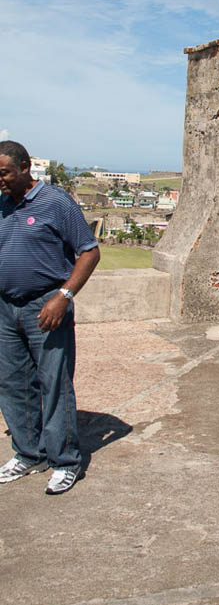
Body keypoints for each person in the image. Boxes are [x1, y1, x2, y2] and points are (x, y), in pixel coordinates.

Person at [0, 141, 100, 494]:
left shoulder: (55, 203)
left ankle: (65, 460)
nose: (0, 180)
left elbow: (89, 251)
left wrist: (63, 296)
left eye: (4, 173)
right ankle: (29, 453)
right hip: (6, 308)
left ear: (25, 167)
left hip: (46, 306)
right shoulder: (2, 206)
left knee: (54, 384)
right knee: (12, 384)